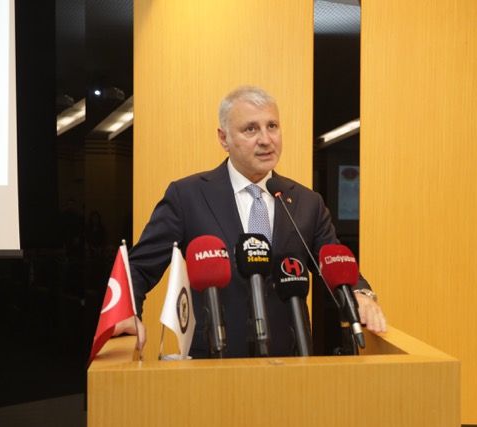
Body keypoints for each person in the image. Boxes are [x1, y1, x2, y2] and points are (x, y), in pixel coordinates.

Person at [114, 85, 386, 358]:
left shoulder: (307, 202)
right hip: (214, 359)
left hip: (290, 359)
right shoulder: (187, 196)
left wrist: (361, 295)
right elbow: (139, 267)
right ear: (224, 138)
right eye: (251, 129)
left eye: (272, 126)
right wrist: (126, 311)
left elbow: (336, 265)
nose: (266, 140)